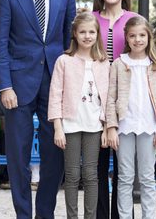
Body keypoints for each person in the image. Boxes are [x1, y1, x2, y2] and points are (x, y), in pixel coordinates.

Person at [0, 0, 76, 218]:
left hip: (55, 81)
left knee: (55, 154)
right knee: (18, 156)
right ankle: (23, 214)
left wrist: (69, 82)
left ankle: (45, 214)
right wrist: (5, 86)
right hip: (17, 84)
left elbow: (68, 40)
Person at [106, 16, 156, 218]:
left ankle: (148, 216)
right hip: (124, 127)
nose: (137, 40)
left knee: (147, 177)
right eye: (133, 36)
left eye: (142, 35)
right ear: (126, 38)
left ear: (148, 37)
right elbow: (110, 97)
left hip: (149, 127)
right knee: (124, 177)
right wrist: (111, 127)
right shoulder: (118, 63)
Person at [48, 11, 110, 219]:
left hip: (95, 126)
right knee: (73, 175)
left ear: (97, 34)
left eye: (92, 32)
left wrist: (107, 126)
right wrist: (58, 127)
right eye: (82, 32)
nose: (87, 36)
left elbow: (109, 98)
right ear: (75, 33)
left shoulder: (103, 62)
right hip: (70, 125)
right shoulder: (64, 61)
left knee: (91, 175)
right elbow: (55, 94)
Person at [92, 0, 138, 218]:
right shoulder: (90, 19)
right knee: (97, 165)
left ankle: (123, 215)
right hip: (95, 99)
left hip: (127, 100)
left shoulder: (135, 19)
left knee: (124, 166)